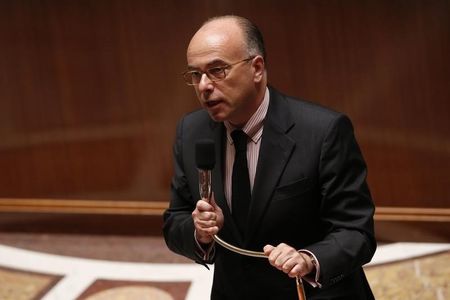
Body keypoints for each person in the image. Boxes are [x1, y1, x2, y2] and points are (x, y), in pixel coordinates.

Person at [163, 15, 376, 299]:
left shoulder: (323, 131)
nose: (204, 86)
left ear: (257, 68)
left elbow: (356, 231)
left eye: (217, 70)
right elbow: (175, 220)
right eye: (195, 74)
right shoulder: (190, 131)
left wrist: (309, 259)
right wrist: (200, 233)